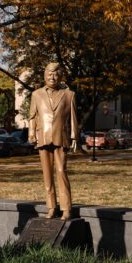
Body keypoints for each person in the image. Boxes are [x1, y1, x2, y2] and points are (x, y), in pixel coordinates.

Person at [28, 62, 79, 221]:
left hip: (61, 138)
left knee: (61, 172)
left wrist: (74, 136)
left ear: (60, 76)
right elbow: (32, 116)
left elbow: (73, 118)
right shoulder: (36, 94)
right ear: (44, 76)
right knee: (47, 176)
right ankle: (51, 208)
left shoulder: (69, 94)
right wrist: (31, 133)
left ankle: (66, 209)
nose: (52, 76)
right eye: (49, 73)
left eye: (55, 73)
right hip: (43, 138)